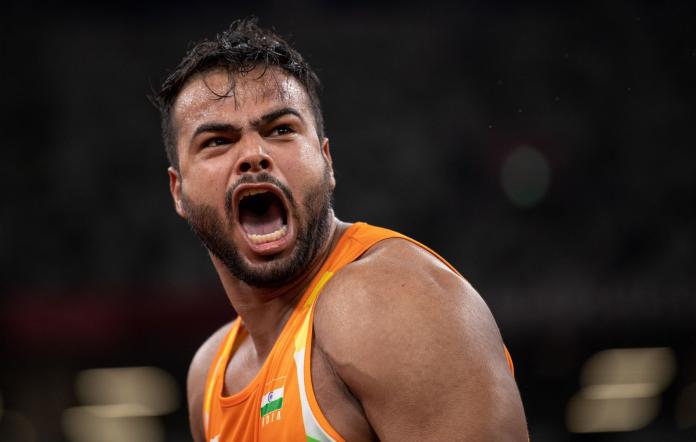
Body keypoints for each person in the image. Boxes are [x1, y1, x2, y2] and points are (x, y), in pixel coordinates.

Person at [154, 17, 528, 442]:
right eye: (218, 141)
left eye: (280, 130)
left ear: (327, 162)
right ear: (178, 191)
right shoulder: (210, 373)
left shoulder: (386, 299)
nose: (253, 154)